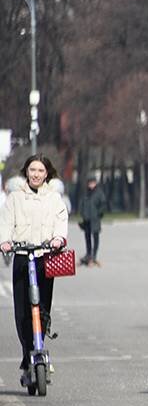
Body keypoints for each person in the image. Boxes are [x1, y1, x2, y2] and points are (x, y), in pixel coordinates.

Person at [0, 155, 69, 388]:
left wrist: (59, 238)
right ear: (26, 172)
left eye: (40, 170)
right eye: (32, 170)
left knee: (42, 308)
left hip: (43, 257)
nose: (36, 174)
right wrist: (5, 241)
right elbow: (5, 222)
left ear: (47, 173)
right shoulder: (15, 198)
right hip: (22, 257)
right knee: (23, 312)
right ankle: (28, 351)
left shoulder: (54, 198)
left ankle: (38, 344)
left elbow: (61, 221)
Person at [78, 177, 107, 266]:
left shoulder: (99, 193)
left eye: (93, 183)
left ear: (95, 183)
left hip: (95, 220)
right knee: (87, 238)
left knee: (95, 238)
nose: (91, 185)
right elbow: (82, 204)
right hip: (86, 219)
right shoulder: (86, 193)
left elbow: (103, 204)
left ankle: (94, 256)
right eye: (90, 183)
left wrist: (99, 214)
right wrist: (82, 213)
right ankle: (88, 254)